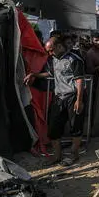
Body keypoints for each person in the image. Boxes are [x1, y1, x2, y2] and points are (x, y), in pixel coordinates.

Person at [24, 36, 85, 166]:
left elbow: (79, 80)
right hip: (59, 97)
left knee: (75, 127)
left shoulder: (74, 59)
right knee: (53, 129)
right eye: (48, 51)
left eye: (51, 50)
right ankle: (57, 156)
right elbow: (51, 74)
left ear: (59, 46)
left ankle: (74, 155)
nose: (49, 53)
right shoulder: (54, 59)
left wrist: (79, 100)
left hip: (72, 96)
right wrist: (34, 75)